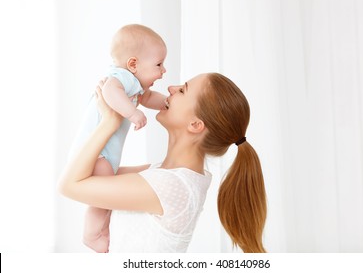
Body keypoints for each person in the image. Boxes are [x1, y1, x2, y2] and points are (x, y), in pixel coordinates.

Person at [59, 72, 267, 253]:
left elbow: (70, 185)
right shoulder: (163, 175)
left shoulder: (171, 186)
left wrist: (109, 123)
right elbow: (88, 176)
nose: (171, 88)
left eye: (183, 90)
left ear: (195, 124)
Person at [68, 24, 167, 252]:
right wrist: (132, 113)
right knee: (102, 195)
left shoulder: (135, 85)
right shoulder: (121, 78)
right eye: (159, 64)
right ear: (133, 64)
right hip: (97, 152)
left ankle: (100, 230)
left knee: (105, 194)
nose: (163, 71)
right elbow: (110, 91)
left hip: (104, 153)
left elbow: (149, 97)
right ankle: (91, 235)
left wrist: (166, 103)